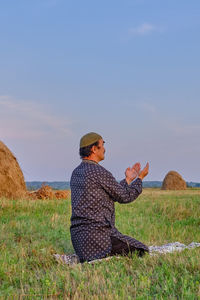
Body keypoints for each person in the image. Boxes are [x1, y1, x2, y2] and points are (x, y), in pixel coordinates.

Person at [70, 132, 149, 263]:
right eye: (102, 145)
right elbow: (124, 197)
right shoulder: (99, 172)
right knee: (141, 250)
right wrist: (140, 178)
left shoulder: (76, 172)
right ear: (94, 149)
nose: (105, 149)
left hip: (79, 241)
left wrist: (128, 180)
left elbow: (111, 192)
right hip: (99, 238)